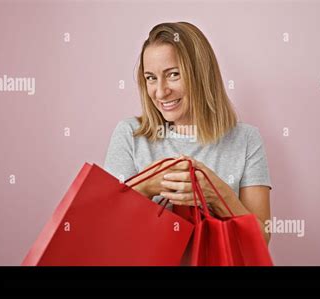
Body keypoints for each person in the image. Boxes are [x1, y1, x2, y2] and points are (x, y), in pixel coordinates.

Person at [104, 22, 273, 244]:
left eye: (173, 74)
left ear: (201, 75)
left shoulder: (246, 139)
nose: (161, 91)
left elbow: (261, 240)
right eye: (151, 78)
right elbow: (105, 225)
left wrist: (217, 195)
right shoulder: (129, 134)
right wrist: (146, 185)